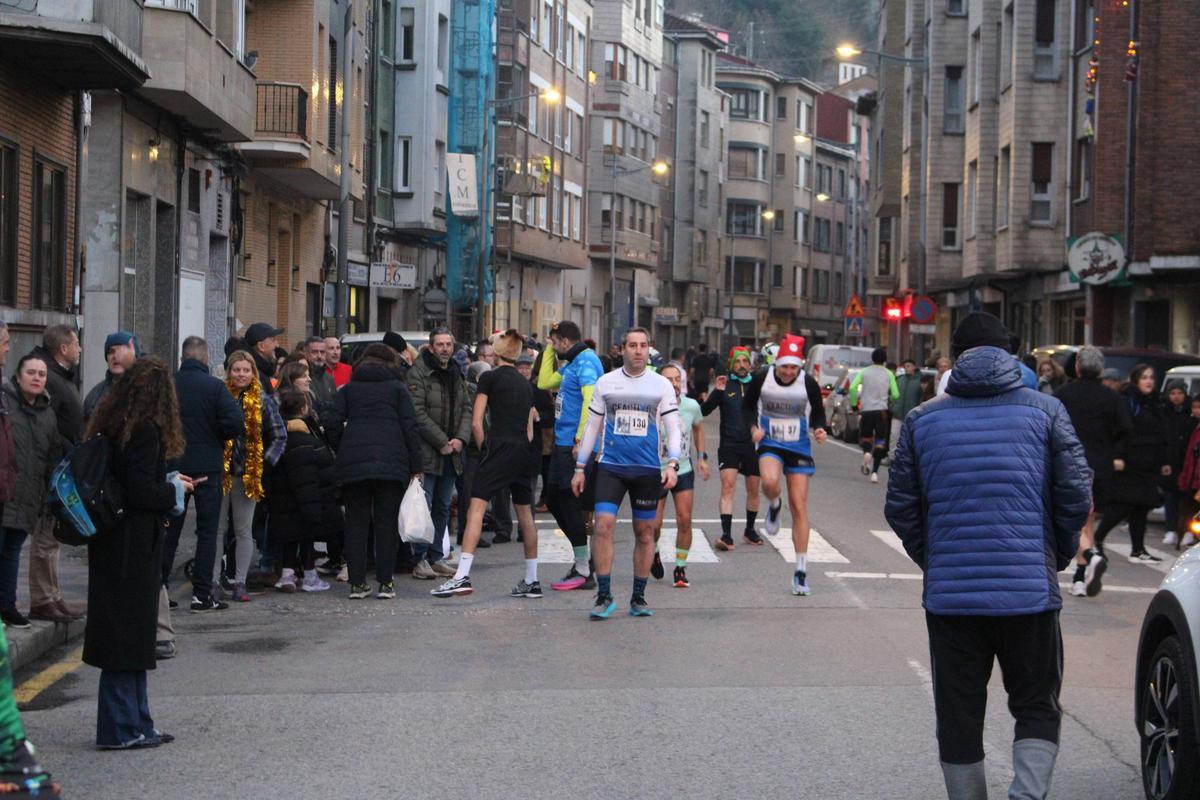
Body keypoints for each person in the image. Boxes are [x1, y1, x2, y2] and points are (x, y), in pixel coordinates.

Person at [885, 311, 1091, 800]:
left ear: (955, 360)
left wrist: (935, 560)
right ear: (1010, 355)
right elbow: (1076, 493)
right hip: (1029, 595)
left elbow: (901, 507)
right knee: (1036, 702)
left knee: (958, 709)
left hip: (952, 599)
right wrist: (1053, 555)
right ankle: (1026, 794)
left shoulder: (922, 419)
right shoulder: (1046, 411)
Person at [84, 357, 197, 750]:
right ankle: (122, 728)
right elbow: (141, 493)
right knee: (128, 639)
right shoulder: (146, 430)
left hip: (113, 542)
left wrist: (163, 482)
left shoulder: (113, 424)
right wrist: (175, 490)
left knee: (128, 638)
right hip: (132, 545)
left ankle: (137, 723)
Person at [572, 327, 680, 619]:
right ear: (622, 349)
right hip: (611, 467)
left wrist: (672, 464)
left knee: (645, 533)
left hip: (647, 469)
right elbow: (592, 427)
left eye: (643, 345)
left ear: (649, 349)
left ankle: (638, 597)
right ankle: (604, 595)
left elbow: (673, 428)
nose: (637, 350)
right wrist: (580, 467)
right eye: (632, 345)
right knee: (603, 525)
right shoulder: (606, 382)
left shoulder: (661, 385)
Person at [432, 330, 540, 598]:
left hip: (498, 446)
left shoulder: (489, 378)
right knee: (525, 514)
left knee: (476, 509)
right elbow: (529, 429)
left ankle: (462, 575)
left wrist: (485, 448)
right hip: (522, 449)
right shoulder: (526, 384)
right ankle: (532, 579)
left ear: (497, 352)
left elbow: (478, 421)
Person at [325, 343, 423, 599]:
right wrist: (416, 465)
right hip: (391, 463)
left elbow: (332, 421)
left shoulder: (349, 390)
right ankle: (386, 582)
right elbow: (410, 427)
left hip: (353, 462)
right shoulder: (398, 389)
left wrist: (343, 447)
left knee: (356, 523)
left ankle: (357, 583)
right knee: (386, 524)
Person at [162, 337, 245, 618]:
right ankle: (201, 595)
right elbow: (235, 422)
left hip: (174, 465)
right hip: (208, 466)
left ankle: (160, 591)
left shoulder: (168, 386)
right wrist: (217, 437)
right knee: (208, 531)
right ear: (206, 358)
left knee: (170, 529)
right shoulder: (215, 387)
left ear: (182, 358)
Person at [742, 335, 827, 596]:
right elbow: (746, 407)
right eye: (784, 367)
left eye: (793, 367)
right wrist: (753, 427)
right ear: (776, 364)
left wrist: (820, 428)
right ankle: (774, 504)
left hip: (799, 446)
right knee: (768, 481)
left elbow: (819, 410)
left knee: (800, 507)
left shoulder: (808, 382)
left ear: (799, 366)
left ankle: (800, 571)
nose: (789, 372)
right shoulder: (761, 378)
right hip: (770, 442)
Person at [1053, 346, 1132, 598]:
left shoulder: (1062, 394)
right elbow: (1126, 429)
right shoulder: (1112, 397)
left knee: (1073, 521)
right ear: (1100, 369)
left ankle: (1088, 558)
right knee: (1089, 520)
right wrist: (1116, 453)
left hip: (1069, 465)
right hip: (1102, 465)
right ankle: (1082, 574)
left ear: (1077, 367)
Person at [537, 321, 604, 592]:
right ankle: (583, 561)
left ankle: (584, 568)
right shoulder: (572, 363)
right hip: (561, 444)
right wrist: (548, 350)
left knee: (568, 503)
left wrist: (581, 439)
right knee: (553, 500)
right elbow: (544, 381)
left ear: (565, 340)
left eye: (555, 342)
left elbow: (591, 401)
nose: (553, 346)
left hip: (573, 446)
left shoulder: (587, 361)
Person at [0, 355, 67, 627]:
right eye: (31, 372)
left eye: (41, 373)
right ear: (18, 377)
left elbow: (51, 457)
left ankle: (8, 606)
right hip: (6, 493)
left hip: (30, 496)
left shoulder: (47, 414)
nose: (37, 377)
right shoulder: (6, 406)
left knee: (13, 551)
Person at [215, 351, 286, 602]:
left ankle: (240, 583)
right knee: (217, 529)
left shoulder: (264, 400)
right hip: (220, 472)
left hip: (248, 475)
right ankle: (214, 582)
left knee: (244, 530)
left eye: (246, 370)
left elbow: (280, 435)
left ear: (253, 372)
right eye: (237, 370)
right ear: (229, 372)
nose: (241, 375)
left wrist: (265, 462)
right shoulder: (219, 395)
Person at [28, 325, 85, 623]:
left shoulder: (59, 375)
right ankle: (42, 599)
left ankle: (53, 596)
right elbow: (46, 424)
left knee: (52, 537)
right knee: (44, 537)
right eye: (76, 343)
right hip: (50, 470)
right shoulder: (47, 374)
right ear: (63, 348)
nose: (79, 349)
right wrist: (69, 450)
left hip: (59, 468)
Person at [407, 328, 472, 578]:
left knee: (443, 506)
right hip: (428, 452)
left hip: (452, 452)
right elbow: (417, 412)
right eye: (440, 344)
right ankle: (419, 558)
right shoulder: (419, 371)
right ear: (431, 347)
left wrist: (460, 439)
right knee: (425, 505)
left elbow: (467, 407)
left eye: (448, 344)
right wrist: (442, 441)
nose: (445, 348)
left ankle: (436, 556)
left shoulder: (456, 372)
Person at [1093, 364, 1170, 563]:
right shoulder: (1128, 400)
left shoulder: (1155, 402)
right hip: (1129, 462)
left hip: (1149, 462)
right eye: (1144, 377)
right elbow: (1121, 430)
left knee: (1141, 507)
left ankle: (1138, 549)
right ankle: (1097, 539)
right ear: (1136, 379)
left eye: (1152, 377)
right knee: (1122, 505)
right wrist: (1118, 457)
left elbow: (1161, 433)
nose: (1149, 381)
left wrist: (1163, 460)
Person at [267, 390, 341, 593]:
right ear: (304, 409)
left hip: (282, 500)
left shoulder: (278, 438)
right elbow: (306, 478)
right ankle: (310, 576)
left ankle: (287, 576)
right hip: (305, 500)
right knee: (307, 538)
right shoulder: (306, 440)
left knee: (290, 539)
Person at [650, 363, 708, 588]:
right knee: (654, 524)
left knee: (684, 520)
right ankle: (654, 552)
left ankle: (680, 568)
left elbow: (699, 428)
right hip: (657, 470)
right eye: (668, 380)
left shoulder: (691, 405)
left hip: (682, 469)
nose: (674, 384)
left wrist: (702, 457)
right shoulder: (652, 406)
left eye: (677, 380)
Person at [701, 347, 762, 550]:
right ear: (731, 364)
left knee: (754, 488)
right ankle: (726, 535)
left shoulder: (756, 384)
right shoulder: (724, 384)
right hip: (729, 445)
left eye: (745, 361)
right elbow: (704, 411)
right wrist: (717, 393)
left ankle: (750, 530)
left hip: (752, 446)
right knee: (727, 486)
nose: (742, 365)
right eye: (738, 362)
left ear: (750, 364)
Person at [848, 347, 899, 484]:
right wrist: (889, 398)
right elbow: (896, 394)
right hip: (881, 411)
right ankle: (875, 473)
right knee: (880, 441)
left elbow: (852, 388)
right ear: (884, 360)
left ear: (872, 358)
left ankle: (866, 453)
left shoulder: (864, 372)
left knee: (867, 437)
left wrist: (854, 404)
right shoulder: (889, 374)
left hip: (866, 410)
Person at [1161, 380, 1196, 548]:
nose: (1176, 397)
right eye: (1173, 393)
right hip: (1170, 463)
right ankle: (1171, 529)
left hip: (1189, 463)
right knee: (1170, 496)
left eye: (1179, 393)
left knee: (1188, 499)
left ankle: (1187, 530)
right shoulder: (1164, 413)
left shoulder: (1190, 415)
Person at [83, 331, 139, 422]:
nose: (115, 356)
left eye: (121, 351)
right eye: (111, 352)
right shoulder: (95, 396)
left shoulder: (147, 389)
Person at [890, 359, 923, 459]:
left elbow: (921, 398)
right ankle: (892, 457)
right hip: (897, 413)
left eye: (908, 366)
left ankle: (907, 459)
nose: (906, 368)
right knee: (894, 436)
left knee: (910, 439)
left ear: (914, 367)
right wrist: (892, 407)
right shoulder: (899, 380)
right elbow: (892, 394)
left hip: (912, 415)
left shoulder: (919, 381)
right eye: (905, 366)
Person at [243, 323, 284, 395]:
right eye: (273, 340)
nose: (277, 345)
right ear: (261, 346)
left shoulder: (263, 371)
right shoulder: (254, 375)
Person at [302, 337, 337, 412]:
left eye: (322, 352)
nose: (319, 356)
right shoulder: (300, 378)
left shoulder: (329, 378)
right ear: (306, 353)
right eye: (314, 352)